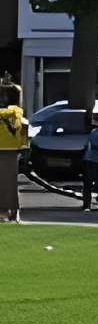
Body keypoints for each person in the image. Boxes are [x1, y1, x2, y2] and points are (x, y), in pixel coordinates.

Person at [0, 81, 26, 223]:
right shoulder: (16, 113)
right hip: (11, 150)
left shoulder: (9, 113)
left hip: (5, 149)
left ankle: (6, 211)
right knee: (10, 184)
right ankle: (13, 211)